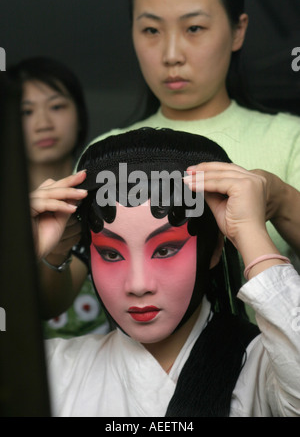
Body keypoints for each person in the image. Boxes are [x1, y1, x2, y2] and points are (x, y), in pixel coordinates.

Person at [30, 128, 300, 417]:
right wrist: (20, 248)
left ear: (213, 249)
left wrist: (249, 230)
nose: (138, 285)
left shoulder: (265, 367)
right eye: (110, 253)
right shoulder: (51, 370)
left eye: (165, 250)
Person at [87, 0, 300, 265]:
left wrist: (281, 199)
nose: (171, 54)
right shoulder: (105, 155)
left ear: (238, 30)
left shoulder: (291, 139)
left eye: (194, 28)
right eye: (151, 30)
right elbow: (59, 297)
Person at [8, 56, 109, 338]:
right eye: (25, 112)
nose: (43, 123)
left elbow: (51, 303)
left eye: (56, 106)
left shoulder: (105, 195)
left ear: (79, 114)